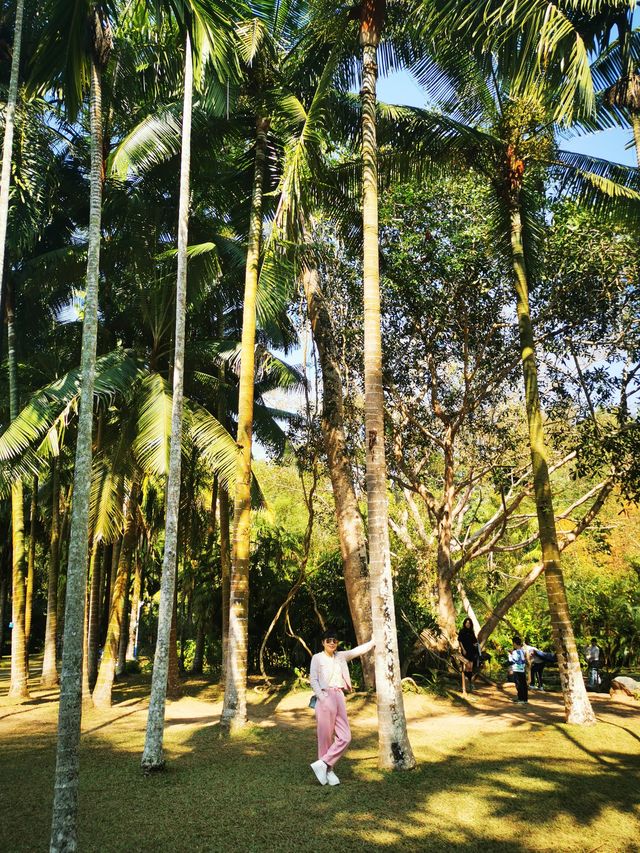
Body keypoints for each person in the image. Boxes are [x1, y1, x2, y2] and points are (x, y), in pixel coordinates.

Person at [309, 628, 375, 786]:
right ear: (323, 642)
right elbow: (313, 679)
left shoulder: (341, 656)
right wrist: (322, 698)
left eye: (334, 641)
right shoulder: (317, 658)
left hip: (339, 696)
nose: (332, 643)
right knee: (325, 737)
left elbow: (357, 651)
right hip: (325, 697)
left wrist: (373, 642)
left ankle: (323, 763)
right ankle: (328, 771)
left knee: (345, 736)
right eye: (328, 640)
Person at [458, 617, 480, 689]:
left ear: (471, 624)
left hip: (472, 651)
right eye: (466, 623)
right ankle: (467, 683)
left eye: (469, 623)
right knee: (467, 667)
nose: (468, 624)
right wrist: (463, 649)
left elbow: (474, 641)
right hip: (465, 651)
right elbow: (460, 641)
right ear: (464, 623)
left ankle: (470, 683)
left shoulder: (471, 632)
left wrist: (476, 645)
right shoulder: (462, 631)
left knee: (471, 668)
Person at [508, 635, 528, 704]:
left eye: (513, 643)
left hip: (517, 670)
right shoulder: (522, 651)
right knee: (523, 684)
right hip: (522, 670)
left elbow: (511, 660)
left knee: (518, 685)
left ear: (514, 643)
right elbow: (523, 660)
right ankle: (525, 699)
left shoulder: (515, 652)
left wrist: (510, 654)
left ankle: (521, 699)